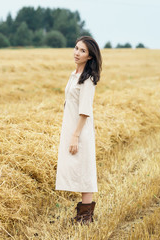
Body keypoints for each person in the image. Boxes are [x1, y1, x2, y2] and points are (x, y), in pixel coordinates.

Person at [55, 36, 102, 224]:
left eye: (82, 51)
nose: (77, 53)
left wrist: (76, 135)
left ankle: (85, 217)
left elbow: (85, 111)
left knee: (85, 169)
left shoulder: (88, 80)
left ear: (90, 57)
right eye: (76, 48)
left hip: (80, 129)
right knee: (77, 167)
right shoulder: (73, 75)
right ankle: (83, 214)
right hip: (71, 126)